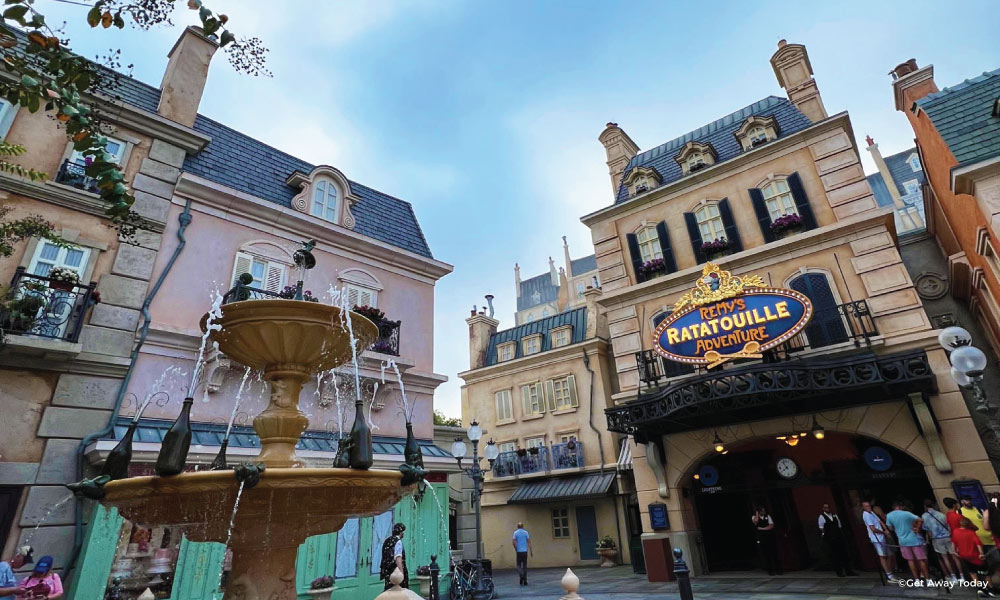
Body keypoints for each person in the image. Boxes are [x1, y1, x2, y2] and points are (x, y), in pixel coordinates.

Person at [886, 500, 929, 582]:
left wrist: (897, 529)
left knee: (910, 560)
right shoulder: (906, 513)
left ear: (893, 507)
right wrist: (917, 528)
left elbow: (890, 528)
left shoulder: (889, 515)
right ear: (900, 506)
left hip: (902, 541)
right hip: (914, 539)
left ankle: (917, 580)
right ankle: (927, 579)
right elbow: (920, 519)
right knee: (921, 559)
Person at [923, 499, 962, 582]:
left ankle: (953, 576)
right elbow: (948, 527)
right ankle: (962, 576)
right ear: (933, 505)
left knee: (945, 558)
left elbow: (927, 529)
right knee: (954, 556)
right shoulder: (941, 514)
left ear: (925, 506)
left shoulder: (924, 516)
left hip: (936, 539)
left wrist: (931, 538)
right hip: (947, 537)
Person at [818, 503, 856, 576]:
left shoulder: (834, 515)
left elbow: (839, 525)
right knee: (835, 556)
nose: (827, 509)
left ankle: (849, 571)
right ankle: (839, 572)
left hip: (839, 537)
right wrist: (824, 535)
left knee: (844, 554)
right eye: (825, 507)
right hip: (831, 539)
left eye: (828, 507)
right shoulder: (821, 517)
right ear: (823, 509)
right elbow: (821, 528)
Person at [861, 501, 893, 581]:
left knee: (889, 555)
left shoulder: (871, 512)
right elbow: (873, 529)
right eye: (866, 506)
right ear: (864, 508)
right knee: (882, 556)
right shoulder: (866, 515)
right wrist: (884, 532)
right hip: (876, 538)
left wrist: (885, 529)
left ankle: (890, 572)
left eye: (869, 506)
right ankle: (888, 575)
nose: (869, 507)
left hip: (882, 536)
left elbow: (880, 521)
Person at [954, 517, 986, 582]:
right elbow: (978, 543)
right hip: (975, 555)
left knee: (972, 572)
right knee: (984, 572)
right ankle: (989, 587)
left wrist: (955, 552)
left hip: (964, 555)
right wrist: (981, 553)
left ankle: (979, 586)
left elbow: (954, 543)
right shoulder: (971, 533)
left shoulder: (955, 531)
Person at [751, 506, 781, 576]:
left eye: (764, 511)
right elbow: (755, 521)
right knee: (766, 554)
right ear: (759, 512)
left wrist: (762, 529)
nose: (764, 512)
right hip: (762, 538)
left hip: (770, 537)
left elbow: (771, 526)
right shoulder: (754, 517)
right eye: (762, 511)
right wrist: (757, 514)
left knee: (774, 553)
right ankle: (770, 570)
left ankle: (778, 569)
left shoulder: (768, 516)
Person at [379, 523, 408, 590]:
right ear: (401, 532)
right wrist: (401, 573)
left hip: (387, 571)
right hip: (395, 571)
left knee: (389, 589)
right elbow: (398, 558)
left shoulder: (387, 540)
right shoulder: (398, 542)